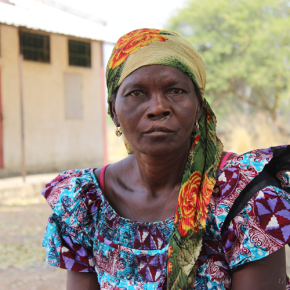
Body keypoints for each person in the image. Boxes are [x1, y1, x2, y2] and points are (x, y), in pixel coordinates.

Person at [41, 28, 290, 290]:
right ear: (113, 111)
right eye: (136, 93)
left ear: (199, 106)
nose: (158, 107)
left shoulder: (242, 194)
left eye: (176, 90)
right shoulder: (87, 201)